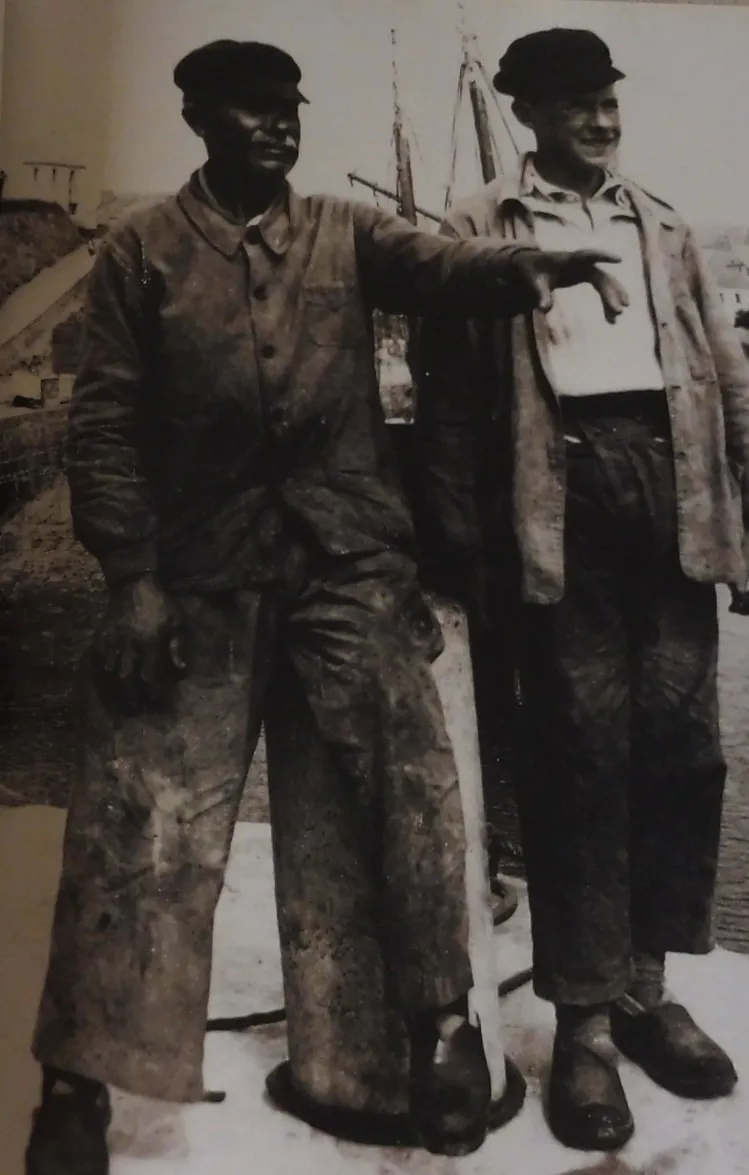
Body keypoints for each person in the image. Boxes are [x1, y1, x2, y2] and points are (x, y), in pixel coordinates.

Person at [23, 39, 627, 1174]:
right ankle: (78, 1083)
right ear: (199, 118)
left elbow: (442, 264)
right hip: (197, 576)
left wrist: (528, 271)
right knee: (141, 807)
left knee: (413, 773)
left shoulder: (347, 233)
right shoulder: (140, 251)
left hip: (347, 566)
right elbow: (101, 426)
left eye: (288, 108)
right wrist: (133, 581)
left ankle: (442, 1024)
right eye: (251, 111)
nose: (277, 126)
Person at [414, 27, 749, 1154]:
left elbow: (727, 374)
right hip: (557, 501)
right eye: (578, 102)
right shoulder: (480, 230)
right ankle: (580, 1026)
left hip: (675, 502)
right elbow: (444, 403)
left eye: (610, 100)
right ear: (527, 111)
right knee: (580, 760)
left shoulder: (661, 223)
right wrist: (455, 548)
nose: (602, 117)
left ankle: (646, 989)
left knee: (684, 751)